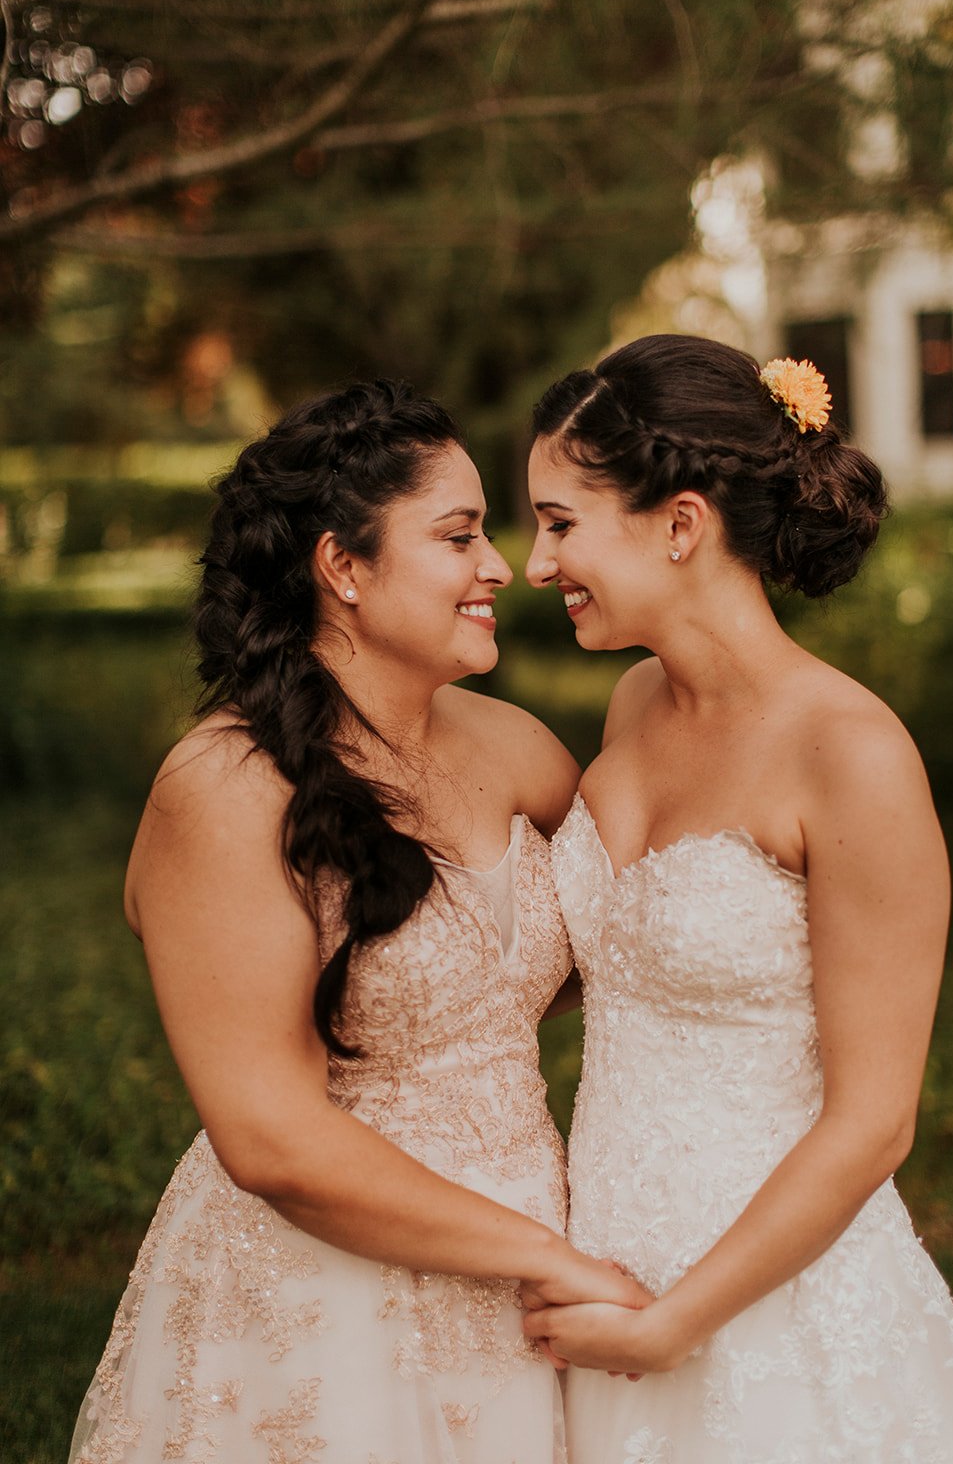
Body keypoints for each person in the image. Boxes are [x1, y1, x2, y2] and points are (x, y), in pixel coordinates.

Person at [68, 377, 646, 1464]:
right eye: (459, 535)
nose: (496, 568)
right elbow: (271, 1139)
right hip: (323, 1292)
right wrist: (543, 1255)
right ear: (342, 565)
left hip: (534, 1244)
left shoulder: (512, 746)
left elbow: (617, 945)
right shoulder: (228, 789)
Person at [523, 335, 953, 1463]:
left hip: (762, 1297)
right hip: (602, 1255)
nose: (531, 562)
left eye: (559, 523)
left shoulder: (849, 753)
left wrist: (674, 1324)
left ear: (678, 523)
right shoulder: (630, 705)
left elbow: (872, 1122)